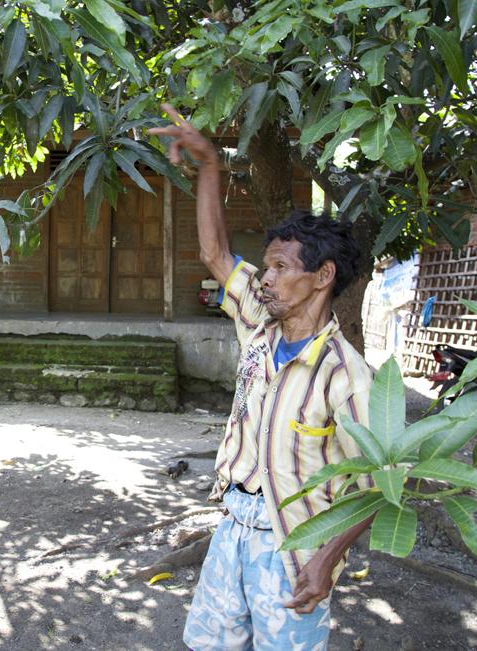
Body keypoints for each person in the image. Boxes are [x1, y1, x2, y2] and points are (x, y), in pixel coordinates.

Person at [149, 106, 374, 650]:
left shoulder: (346, 375)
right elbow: (215, 253)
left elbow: (370, 489)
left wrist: (324, 562)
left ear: (321, 277)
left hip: (294, 543)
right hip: (233, 525)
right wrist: (208, 166)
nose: (265, 279)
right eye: (266, 267)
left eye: (279, 268)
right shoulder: (260, 325)